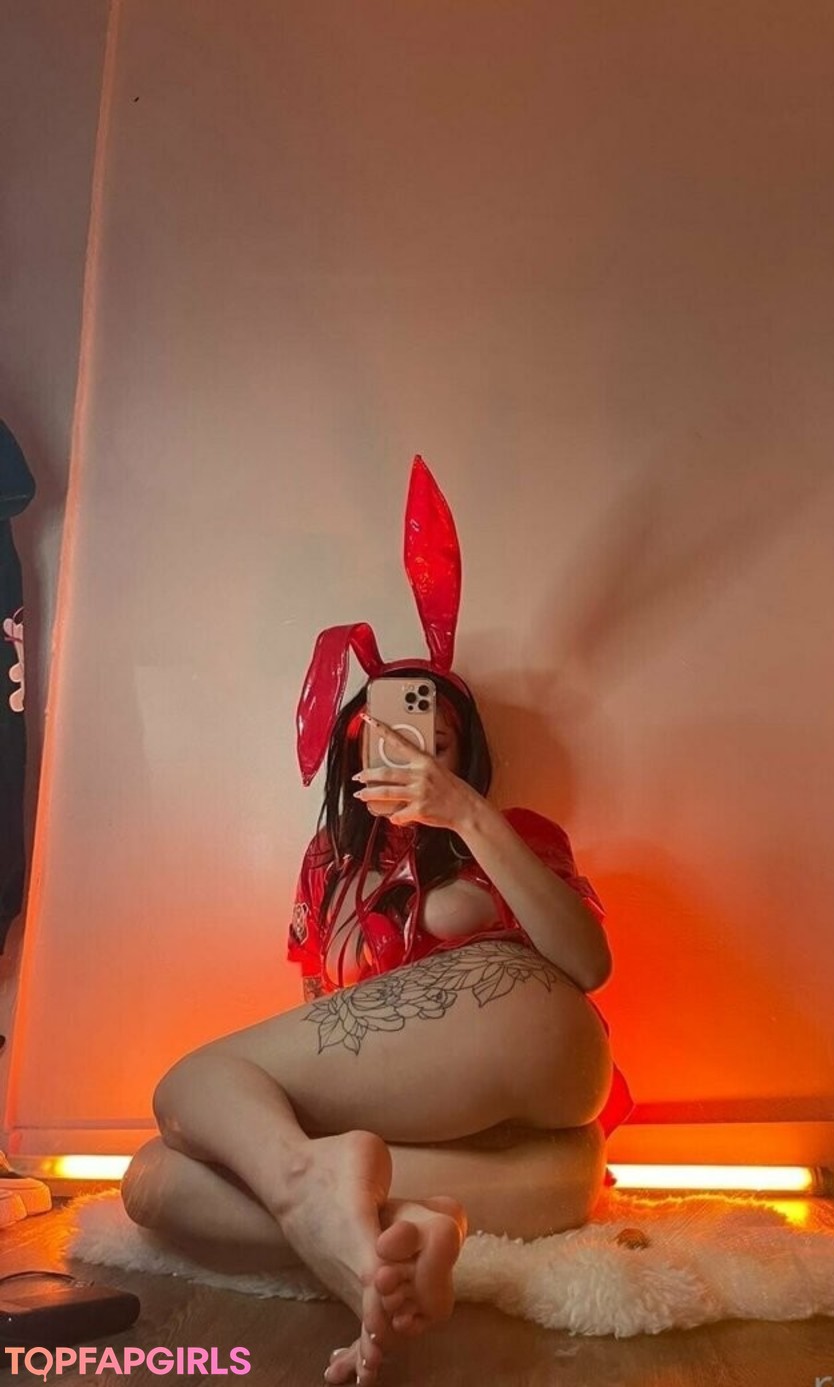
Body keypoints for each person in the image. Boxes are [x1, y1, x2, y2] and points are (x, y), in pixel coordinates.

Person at [121, 456, 631, 1387]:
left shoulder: (508, 833)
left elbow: (588, 964)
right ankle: (389, 1246)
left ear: (465, 756)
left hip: (538, 1037)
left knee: (191, 1082)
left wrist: (465, 815)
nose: (413, 753)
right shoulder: (330, 866)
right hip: (542, 1165)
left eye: (437, 740)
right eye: (389, 736)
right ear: (353, 749)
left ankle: (313, 1187)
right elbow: (318, 1022)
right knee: (158, 1178)